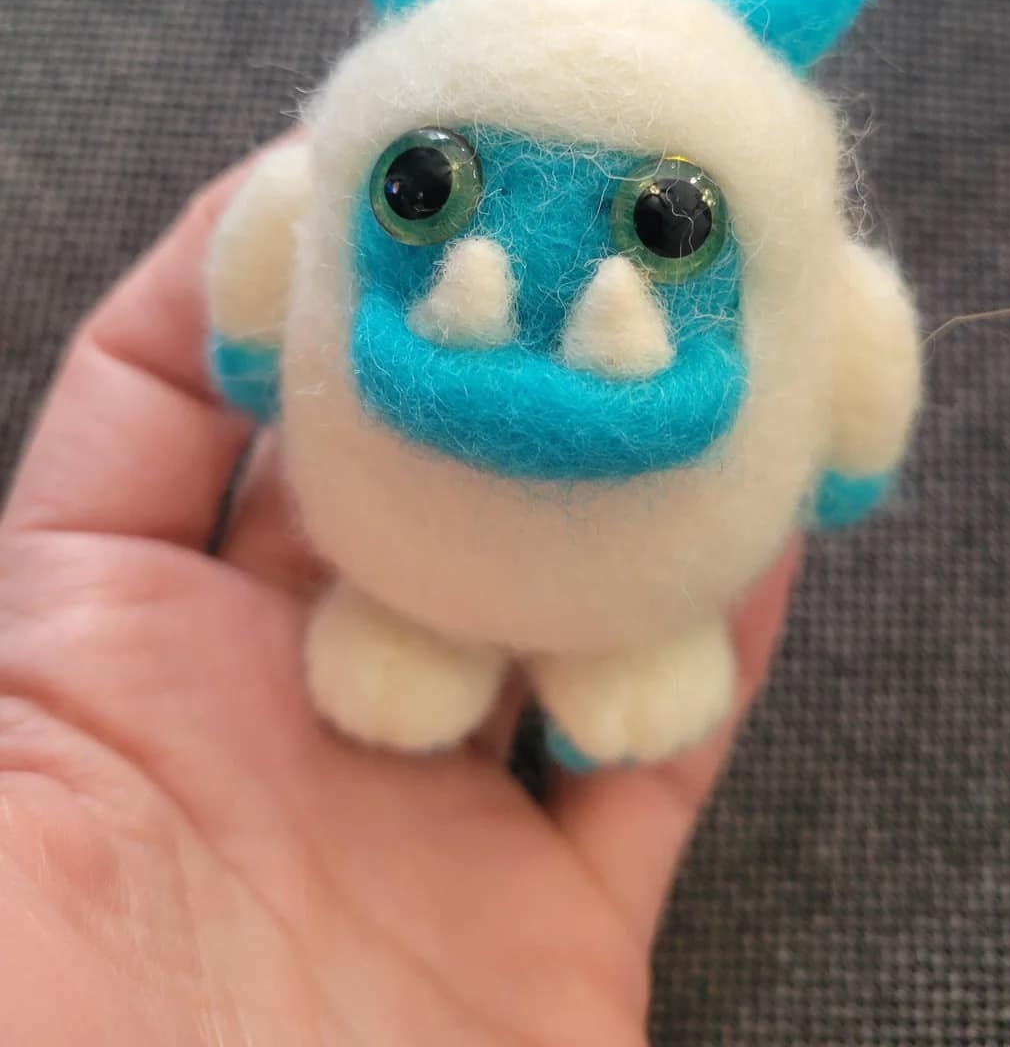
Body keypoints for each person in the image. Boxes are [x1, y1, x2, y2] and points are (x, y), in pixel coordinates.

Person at [0, 150, 800, 1045]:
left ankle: (624, 648)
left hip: (639, 596)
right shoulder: (317, 215)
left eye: (668, 223)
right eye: (427, 188)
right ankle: (425, 633)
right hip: (401, 579)